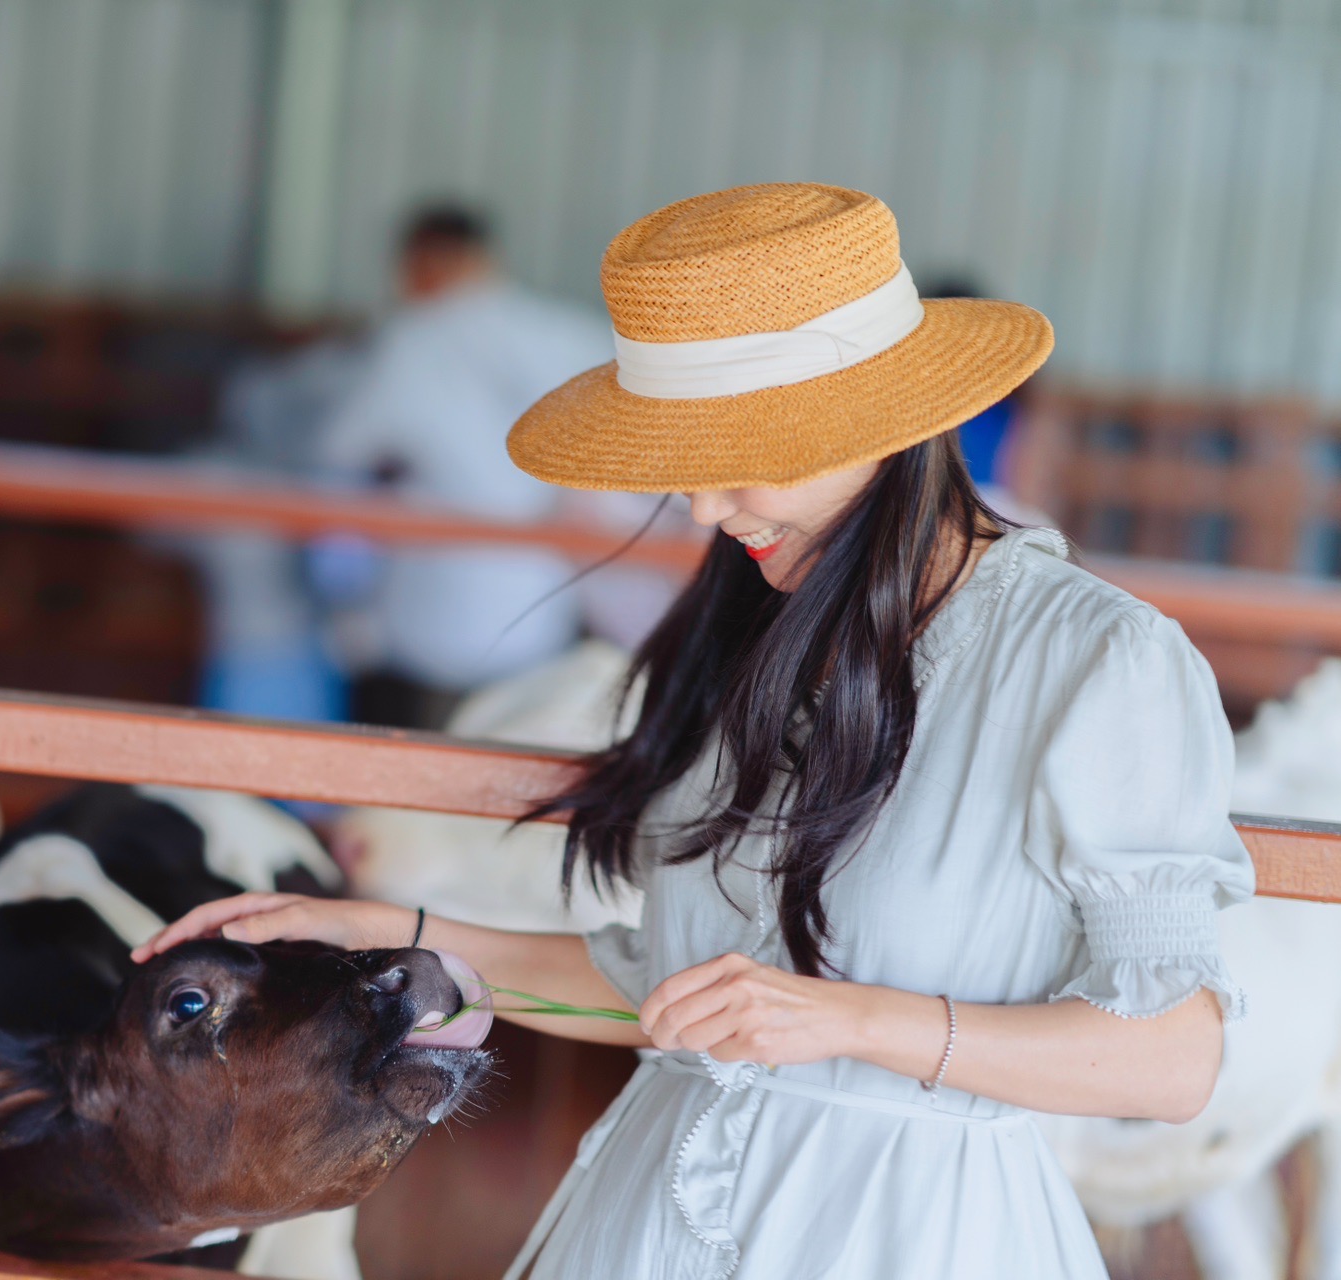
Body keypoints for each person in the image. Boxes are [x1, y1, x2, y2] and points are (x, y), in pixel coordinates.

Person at [134, 184, 1253, 1277]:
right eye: (686, 467)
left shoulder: (1096, 661)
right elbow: (678, 994)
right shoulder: (751, 631)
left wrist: (852, 1020)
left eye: (743, 455)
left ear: (885, 422)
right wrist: (385, 931)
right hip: (655, 1215)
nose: (704, 509)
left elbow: (1172, 1053)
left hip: (906, 1225)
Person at [315, 205, 611, 728]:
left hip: (432, 601)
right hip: (541, 601)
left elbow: (342, 446)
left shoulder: (411, 337)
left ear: (423, 261)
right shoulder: (572, 334)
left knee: (415, 747)